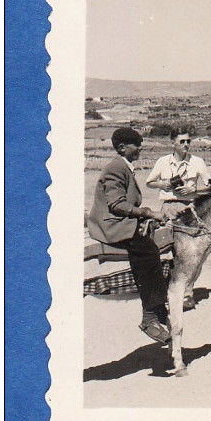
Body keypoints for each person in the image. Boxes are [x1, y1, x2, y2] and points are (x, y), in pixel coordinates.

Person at [86, 127, 170, 344]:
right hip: (112, 225)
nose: (140, 147)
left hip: (120, 220)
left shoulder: (125, 168)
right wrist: (148, 213)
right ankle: (149, 316)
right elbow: (116, 204)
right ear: (122, 148)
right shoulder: (116, 168)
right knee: (148, 251)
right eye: (137, 144)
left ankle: (159, 305)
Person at [146, 126, 211, 221]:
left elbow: (210, 186)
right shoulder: (162, 161)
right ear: (173, 143)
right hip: (168, 209)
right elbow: (149, 183)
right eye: (182, 141)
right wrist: (161, 184)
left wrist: (193, 190)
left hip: (189, 208)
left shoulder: (197, 161)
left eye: (188, 141)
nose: (186, 144)